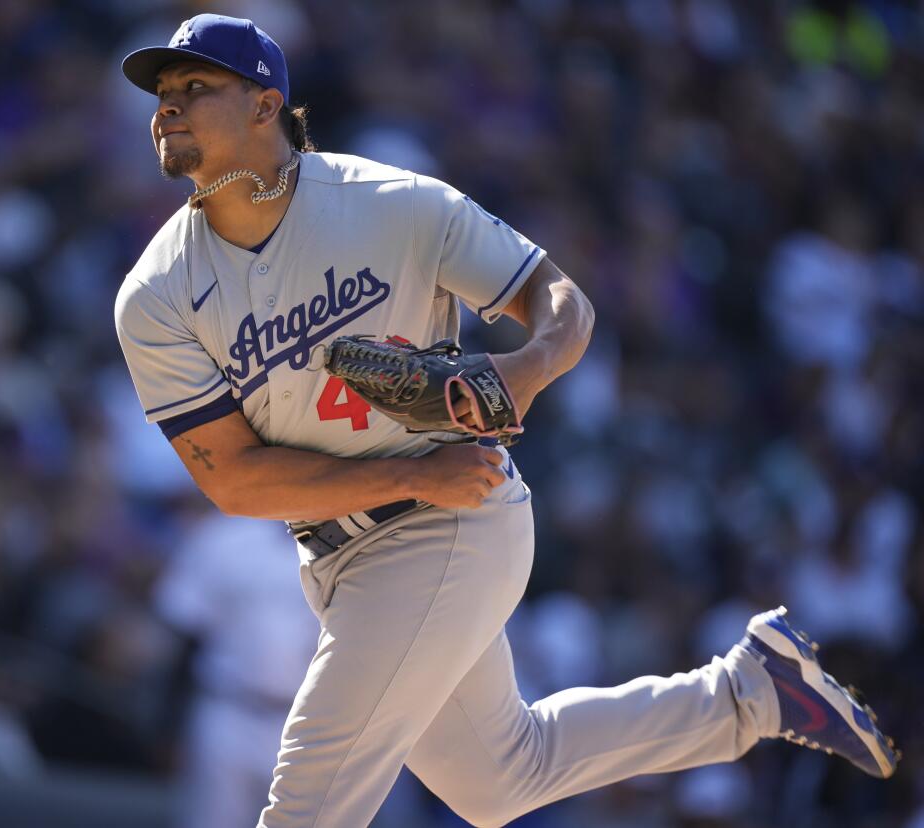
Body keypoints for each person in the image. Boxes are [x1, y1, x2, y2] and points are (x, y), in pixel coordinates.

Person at [113, 14, 898, 827]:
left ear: (265, 105)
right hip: (350, 549)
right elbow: (235, 479)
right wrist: (411, 470)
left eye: (194, 88)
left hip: (447, 522)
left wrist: (525, 371)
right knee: (500, 781)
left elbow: (562, 302)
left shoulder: (389, 203)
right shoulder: (157, 295)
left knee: (308, 802)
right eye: (163, 94)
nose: (167, 107)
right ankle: (749, 695)